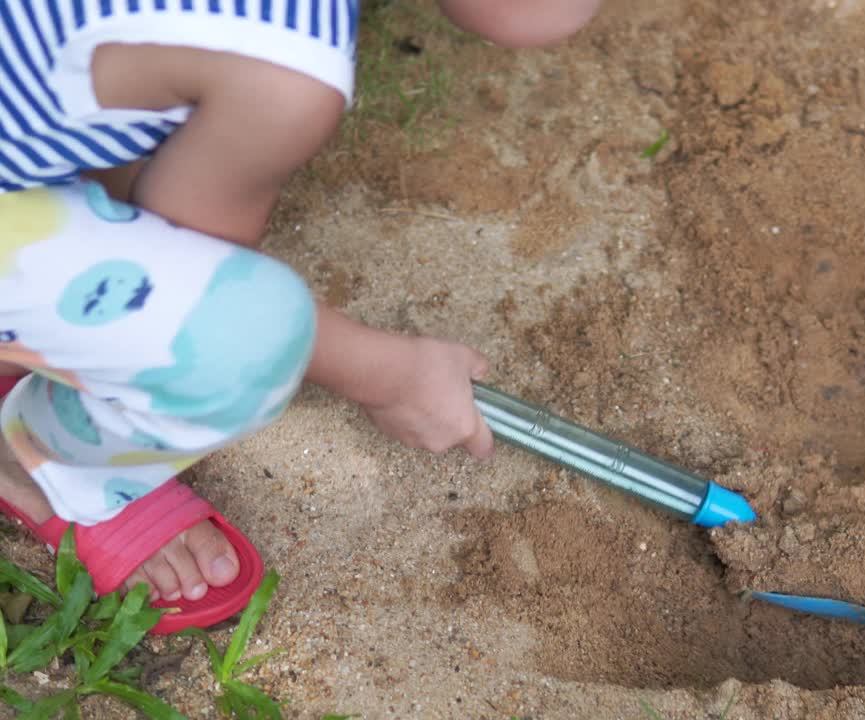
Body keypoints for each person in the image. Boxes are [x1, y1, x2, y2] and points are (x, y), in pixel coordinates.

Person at [0, 0, 603, 633]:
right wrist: (389, 375)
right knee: (243, 340)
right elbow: (202, 282)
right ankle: (34, 462)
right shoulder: (283, 75)